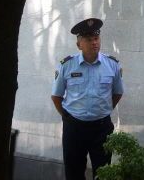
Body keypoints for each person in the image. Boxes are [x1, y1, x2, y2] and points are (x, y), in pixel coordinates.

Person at [51, 18, 124, 180]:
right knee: (74, 172)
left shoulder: (112, 65)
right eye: (89, 39)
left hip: (102, 128)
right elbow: (56, 96)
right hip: (74, 128)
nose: (94, 43)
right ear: (79, 45)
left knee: (103, 172)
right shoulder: (66, 65)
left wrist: (104, 109)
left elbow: (118, 93)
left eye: (96, 38)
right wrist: (67, 116)